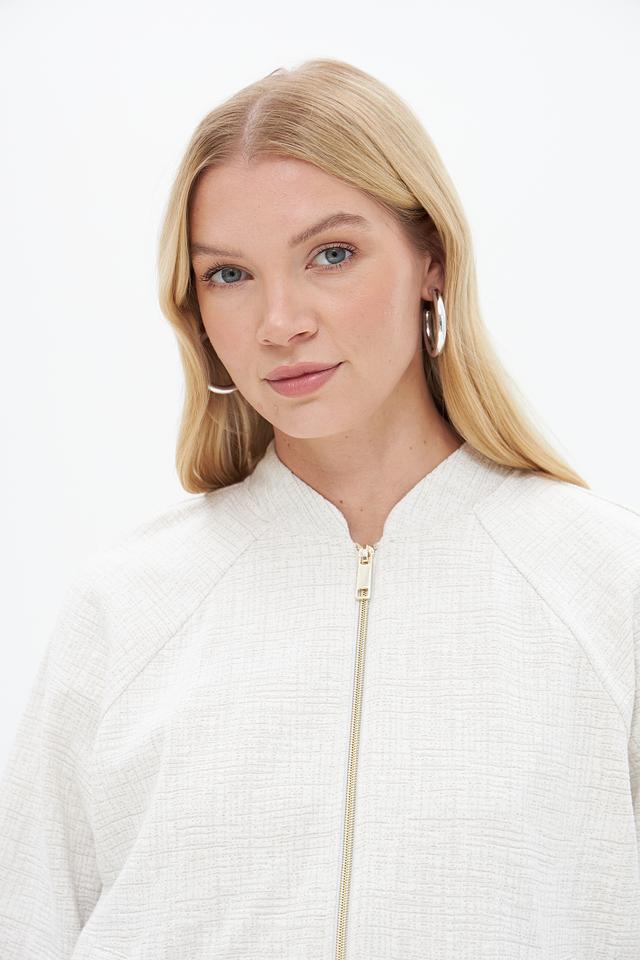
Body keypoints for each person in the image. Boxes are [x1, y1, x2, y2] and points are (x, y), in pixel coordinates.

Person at [1, 57, 639, 960]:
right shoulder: (126, 608)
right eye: (230, 274)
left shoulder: (607, 585)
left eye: (331, 255)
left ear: (431, 259)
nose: (280, 322)